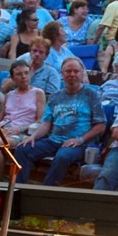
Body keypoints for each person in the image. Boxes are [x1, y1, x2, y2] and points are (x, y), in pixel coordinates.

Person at [15, 57, 105, 186]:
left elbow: (101, 126)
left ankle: (47, 191)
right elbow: (46, 123)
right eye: (68, 71)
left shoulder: (92, 95)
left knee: (62, 156)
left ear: (82, 74)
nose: (72, 74)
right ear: (62, 74)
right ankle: (19, 188)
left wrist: (80, 140)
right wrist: (33, 137)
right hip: (54, 140)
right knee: (22, 149)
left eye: (76, 71)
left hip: (79, 144)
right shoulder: (55, 96)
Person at [0, 60, 46, 181]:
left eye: (26, 73)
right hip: (4, 128)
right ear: (13, 78)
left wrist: (20, 129)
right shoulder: (10, 95)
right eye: (19, 74)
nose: (23, 77)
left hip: (22, 132)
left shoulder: (38, 93)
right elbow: (2, 117)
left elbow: (40, 120)